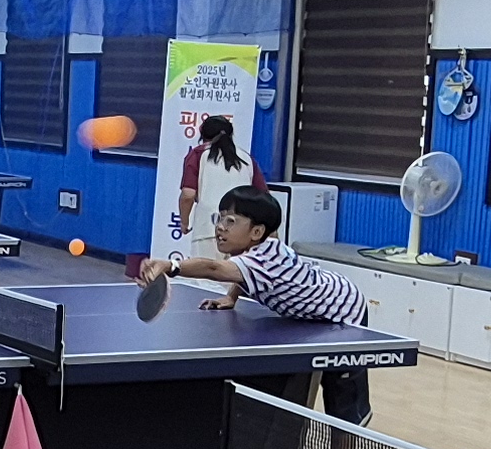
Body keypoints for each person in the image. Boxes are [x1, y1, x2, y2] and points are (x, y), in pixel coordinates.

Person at [143, 181, 376, 423]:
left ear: (256, 232)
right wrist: (231, 297)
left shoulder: (263, 260)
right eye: (220, 218)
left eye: (231, 221)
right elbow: (241, 273)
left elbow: (214, 268)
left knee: (343, 406)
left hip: (343, 310)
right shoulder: (258, 249)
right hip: (317, 309)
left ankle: (347, 444)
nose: (220, 227)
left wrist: (171, 265)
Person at [170, 113, 257, 256]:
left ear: (203, 134)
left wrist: (184, 222)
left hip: (208, 229)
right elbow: (262, 196)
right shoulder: (246, 158)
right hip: (242, 233)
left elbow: (188, 195)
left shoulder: (198, 154)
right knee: (236, 270)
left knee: (205, 269)